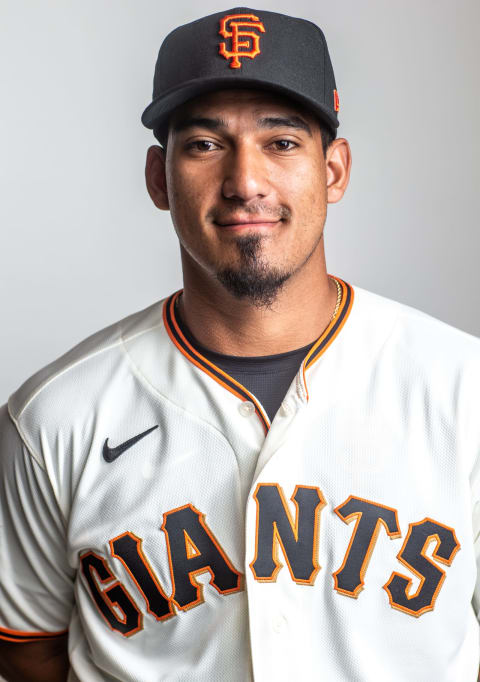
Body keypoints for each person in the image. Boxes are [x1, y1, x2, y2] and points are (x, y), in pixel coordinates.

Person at [0, 6, 479, 682]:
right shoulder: (54, 418)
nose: (245, 181)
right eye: (204, 144)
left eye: (281, 142)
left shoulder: (465, 390)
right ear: (158, 178)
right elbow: (27, 650)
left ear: (334, 170)